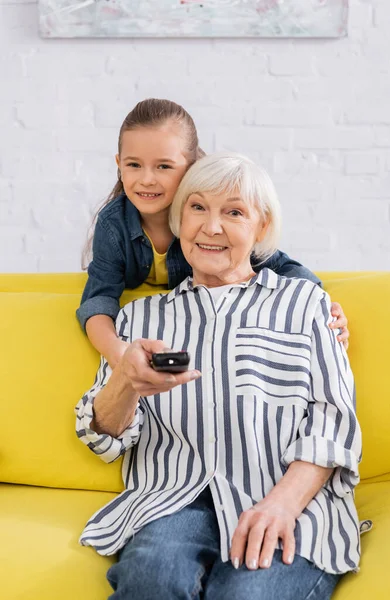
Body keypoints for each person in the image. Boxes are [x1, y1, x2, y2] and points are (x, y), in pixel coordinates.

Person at [75, 152, 362, 600]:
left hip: (285, 499)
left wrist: (281, 505)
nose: (211, 227)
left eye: (233, 212)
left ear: (261, 228)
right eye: (197, 208)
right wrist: (126, 382)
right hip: (171, 500)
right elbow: (103, 438)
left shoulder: (306, 304)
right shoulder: (139, 318)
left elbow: (333, 421)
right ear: (178, 219)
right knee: (152, 580)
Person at [76, 98, 349, 369]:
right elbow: (98, 299)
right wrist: (117, 351)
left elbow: (280, 265)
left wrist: (325, 310)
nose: (147, 179)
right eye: (134, 165)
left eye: (164, 166)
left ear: (192, 167)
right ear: (119, 163)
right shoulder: (114, 225)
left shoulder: (207, 225)